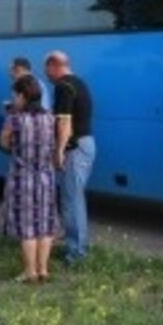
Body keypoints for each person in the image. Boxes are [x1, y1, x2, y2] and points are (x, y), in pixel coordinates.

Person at [0, 74, 59, 282]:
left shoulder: (14, 119)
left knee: (28, 226)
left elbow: (4, 143)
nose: (14, 99)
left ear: (23, 96)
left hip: (22, 178)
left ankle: (30, 271)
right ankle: (43, 270)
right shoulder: (50, 118)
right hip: (46, 177)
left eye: (15, 95)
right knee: (45, 223)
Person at [45, 51, 95, 265]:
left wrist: (58, 151)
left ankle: (76, 254)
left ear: (54, 65)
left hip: (74, 148)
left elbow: (64, 123)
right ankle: (76, 246)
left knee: (70, 201)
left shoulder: (63, 86)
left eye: (47, 69)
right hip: (86, 144)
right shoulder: (79, 83)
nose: (47, 75)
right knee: (75, 198)